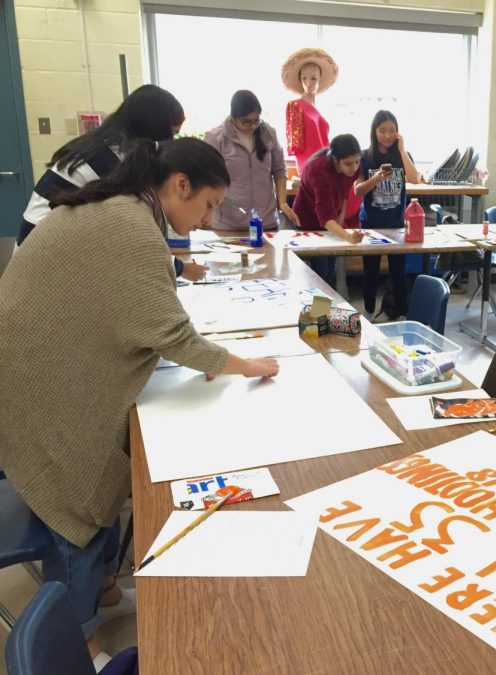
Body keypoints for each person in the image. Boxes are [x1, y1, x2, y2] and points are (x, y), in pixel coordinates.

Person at [0, 137, 280, 667]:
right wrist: (245, 365)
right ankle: (78, 637)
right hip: (41, 391)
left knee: (103, 478)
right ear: (180, 185)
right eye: (207, 204)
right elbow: (171, 332)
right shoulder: (131, 225)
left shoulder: (123, 209)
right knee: (75, 509)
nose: (205, 218)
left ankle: (104, 592)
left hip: (34, 374)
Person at [16, 84, 205, 282]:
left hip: (35, 253)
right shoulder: (117, 163)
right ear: (155, 128)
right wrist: (181, 268)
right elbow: (136, 239)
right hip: (40, 262)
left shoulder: (101, 148)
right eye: (172, 133)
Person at [282, 47, 362, 229]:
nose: (309, 83)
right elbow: (296, 147)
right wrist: (304, 176)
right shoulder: (295, 106)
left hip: (328, 164)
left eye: (314, 78)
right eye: (304, 78)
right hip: (312, 168)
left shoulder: (317, 108)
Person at [354, 110, 422, 322]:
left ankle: (401, 313)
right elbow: (358, 190)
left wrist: (402, 150)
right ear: (374, 132)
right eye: (382, 130)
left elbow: (414, 179)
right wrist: (376, 178)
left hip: (397, 225)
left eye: (392, 130)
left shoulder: (402, 155)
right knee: (371, 273)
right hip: (371, 225)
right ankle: (369, 312)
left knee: (398, 272)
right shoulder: (365, 156)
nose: (387, 135)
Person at [204, 90, 299, 231]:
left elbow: (279, 170)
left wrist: (283, 202)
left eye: (256, 120)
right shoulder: (216, 137)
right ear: (233, 117)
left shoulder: (268, 133)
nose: (253, 126)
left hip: (265, 222)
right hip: (229, 223)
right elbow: (206, 175)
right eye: (247, 122)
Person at [293, 134, 364, 285]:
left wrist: (341, 217)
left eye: (357, 162)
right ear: (335, 160)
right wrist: (348, 236)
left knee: (331, 267)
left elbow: (344, 192)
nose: (354, 168)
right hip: (308, 220)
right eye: (348, 164)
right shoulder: (319, 171)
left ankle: (329, 305)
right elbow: (324, 218)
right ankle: (317, 306)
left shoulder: (354, 168)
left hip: (331, 219)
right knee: (321, 271)